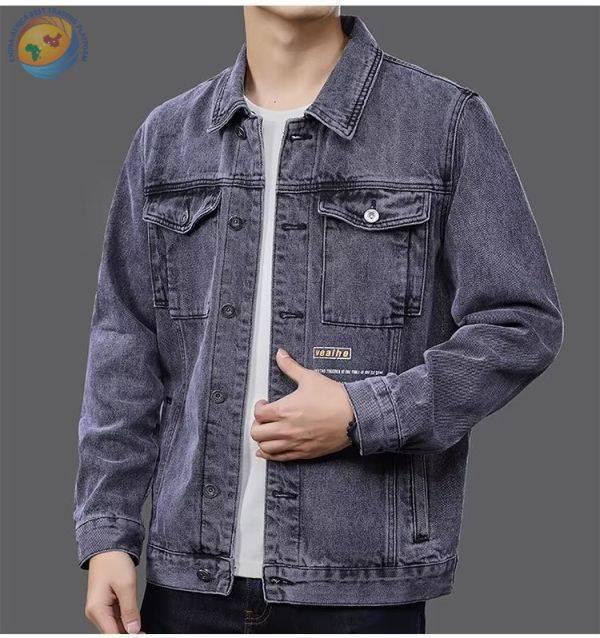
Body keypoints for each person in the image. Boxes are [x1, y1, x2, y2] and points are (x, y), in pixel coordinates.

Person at [74, 6, 563, 634]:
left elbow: (520, 323)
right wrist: (108, 534)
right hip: (187, 586)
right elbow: (124, 344)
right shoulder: (166, 137)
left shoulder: (444, 122)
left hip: (360, 588)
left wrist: (367, 413)